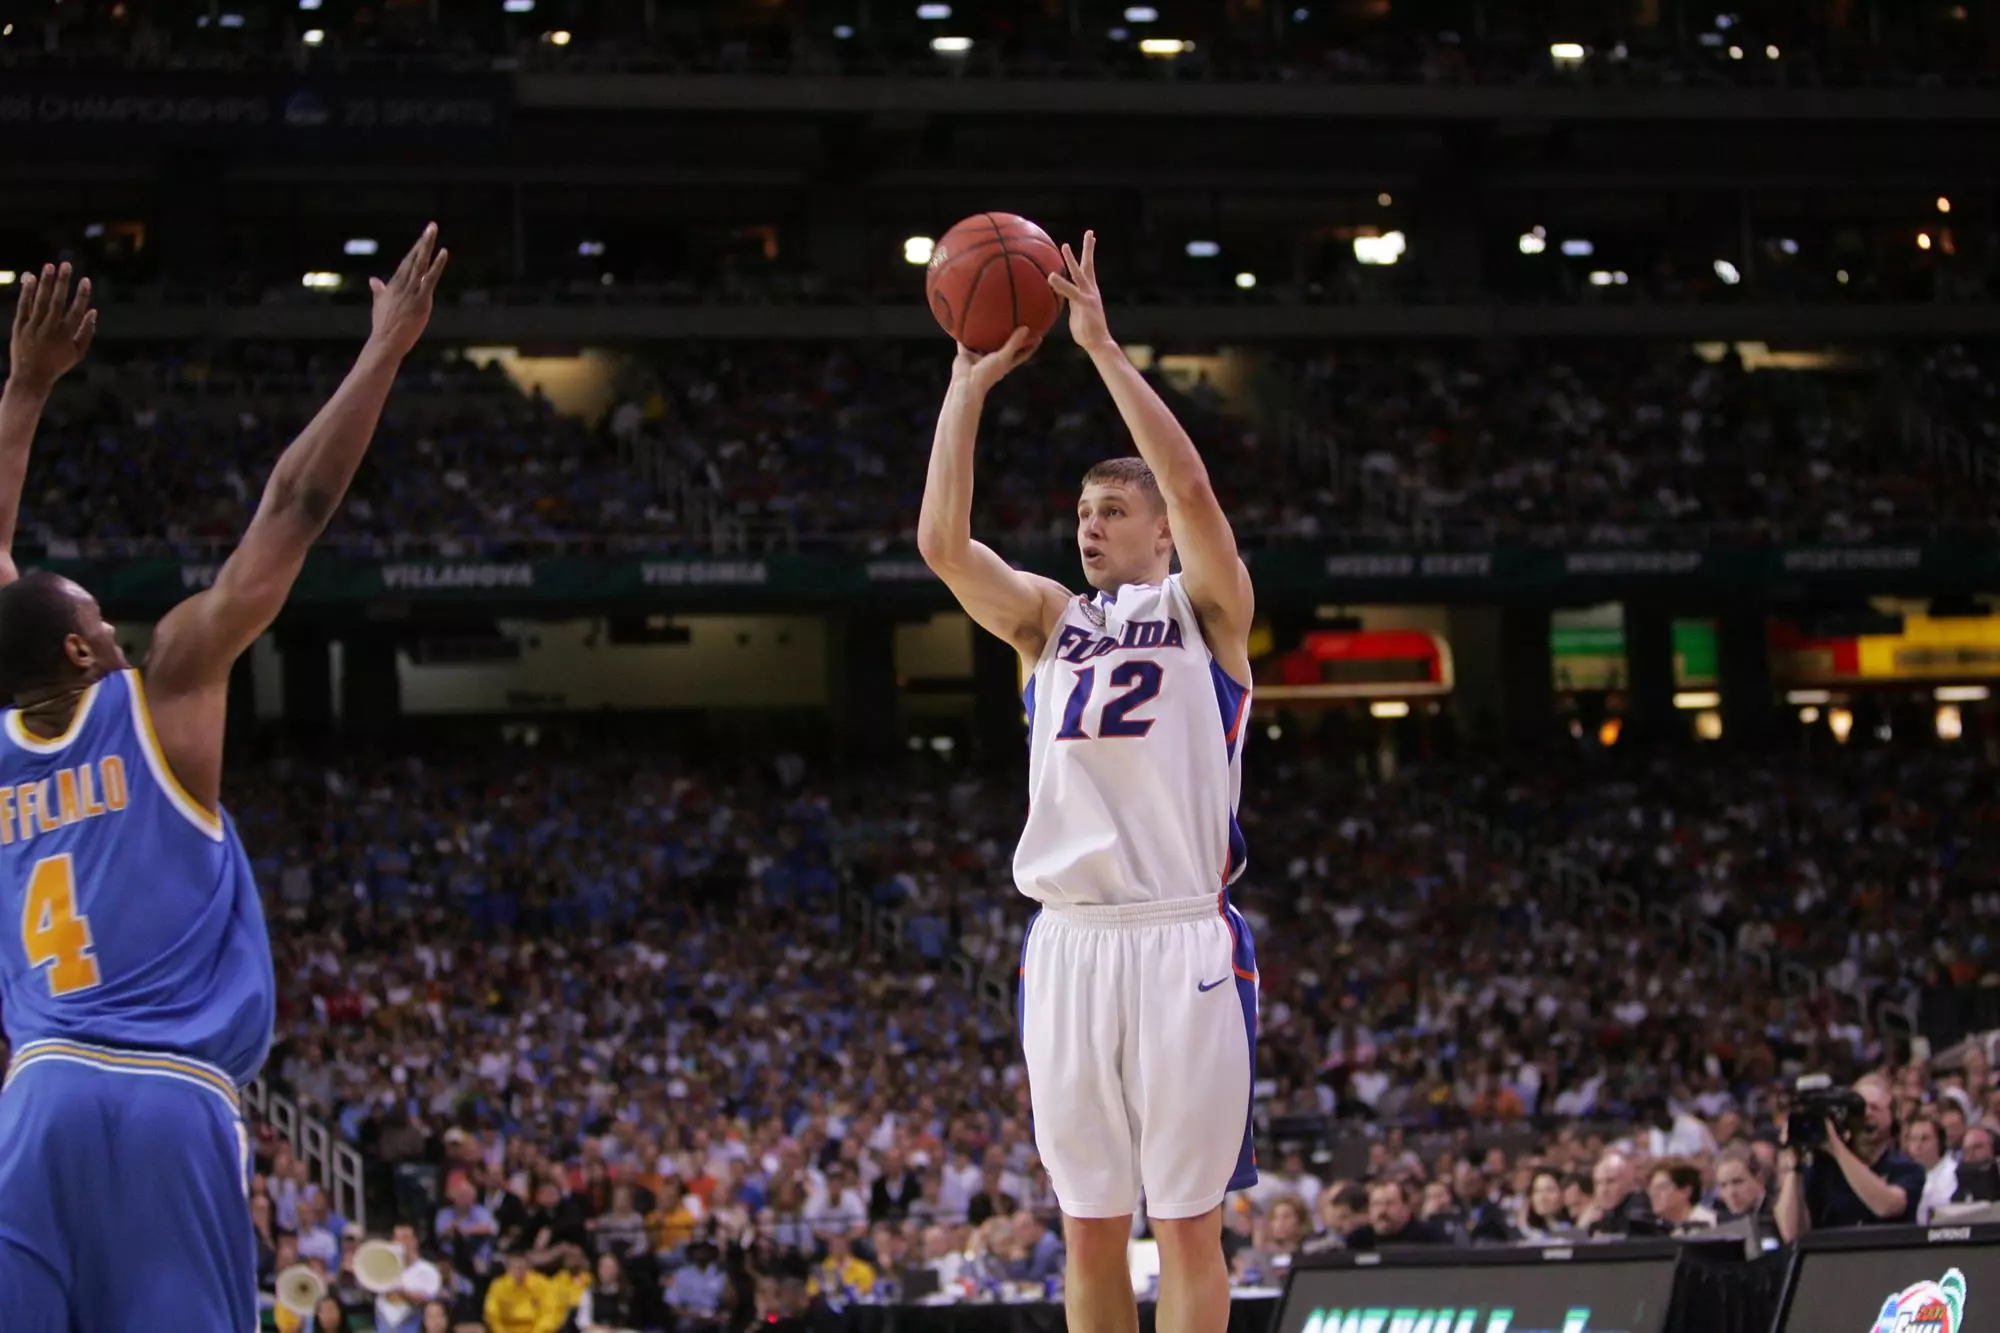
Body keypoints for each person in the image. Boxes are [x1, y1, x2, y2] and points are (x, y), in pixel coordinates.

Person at [0, 229, 446, 1332]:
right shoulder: (161, 694)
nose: (112, 619)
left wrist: (23, 393)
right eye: (96, 613)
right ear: (79, 648)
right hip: (165, 1097)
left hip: (37, 1096)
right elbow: (293, 507)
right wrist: (383, 351)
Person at [917, 229, 1258, 1333]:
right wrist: (966, 389)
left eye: (1112, 511)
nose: (1090, 526)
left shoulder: (1206, 613)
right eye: (1081, 512)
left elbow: (1193, 484)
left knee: (1189, 1224)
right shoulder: (1047, 621)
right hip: (1068, 939)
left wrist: (1103, 349)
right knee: (1088, 1224)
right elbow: (942, 545)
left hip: (1179, 933)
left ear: (1161, 533)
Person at [1775, 1073, 1926, 1242]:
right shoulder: (1824, 1167)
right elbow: (1791, 1233)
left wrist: (1835, 1146)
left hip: (1886, 1254)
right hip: (1831, 1255)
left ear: (1892, 1116)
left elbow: (1887, 1206)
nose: (1866, 1114)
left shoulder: (1908, 1168)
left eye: (1875, 1108)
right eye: (1859, 1108)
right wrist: (1794, 1166)